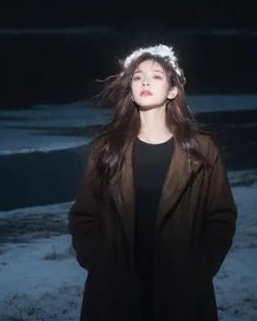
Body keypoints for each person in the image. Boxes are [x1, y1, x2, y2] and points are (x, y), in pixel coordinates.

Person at [68, 44, 237, 321]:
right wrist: (103, 264)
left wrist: (197, 268)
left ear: (173, 90)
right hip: (115, 295)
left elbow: (221, 217)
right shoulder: (106, 149)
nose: (144, 80)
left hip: (182, 296)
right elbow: (84, 216)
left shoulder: (201, 150)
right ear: (131, 90)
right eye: (137, 76)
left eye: (156, 76)